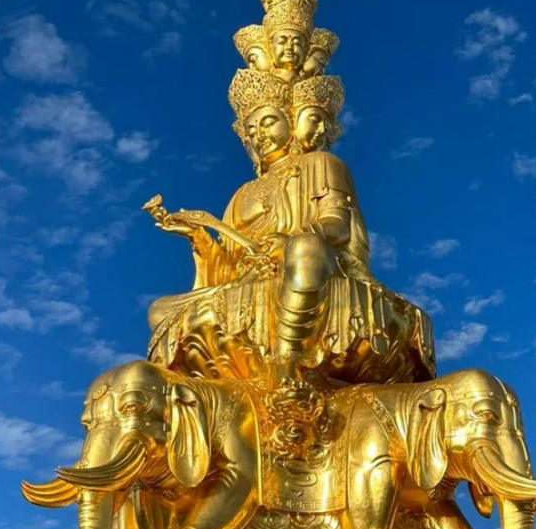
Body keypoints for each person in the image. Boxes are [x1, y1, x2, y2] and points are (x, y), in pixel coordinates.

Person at [145, 69, 433, 386]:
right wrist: (199, 237)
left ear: (293, 122)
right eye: (251, 130)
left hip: (307, 274)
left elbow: (338, 226)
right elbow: (228, 266)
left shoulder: (321, 164)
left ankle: (288, 358)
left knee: (306, 249)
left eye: (268, 122)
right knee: (159, 311)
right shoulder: (241, 194)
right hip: (251, 283)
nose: (259, 134)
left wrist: (288, 241)